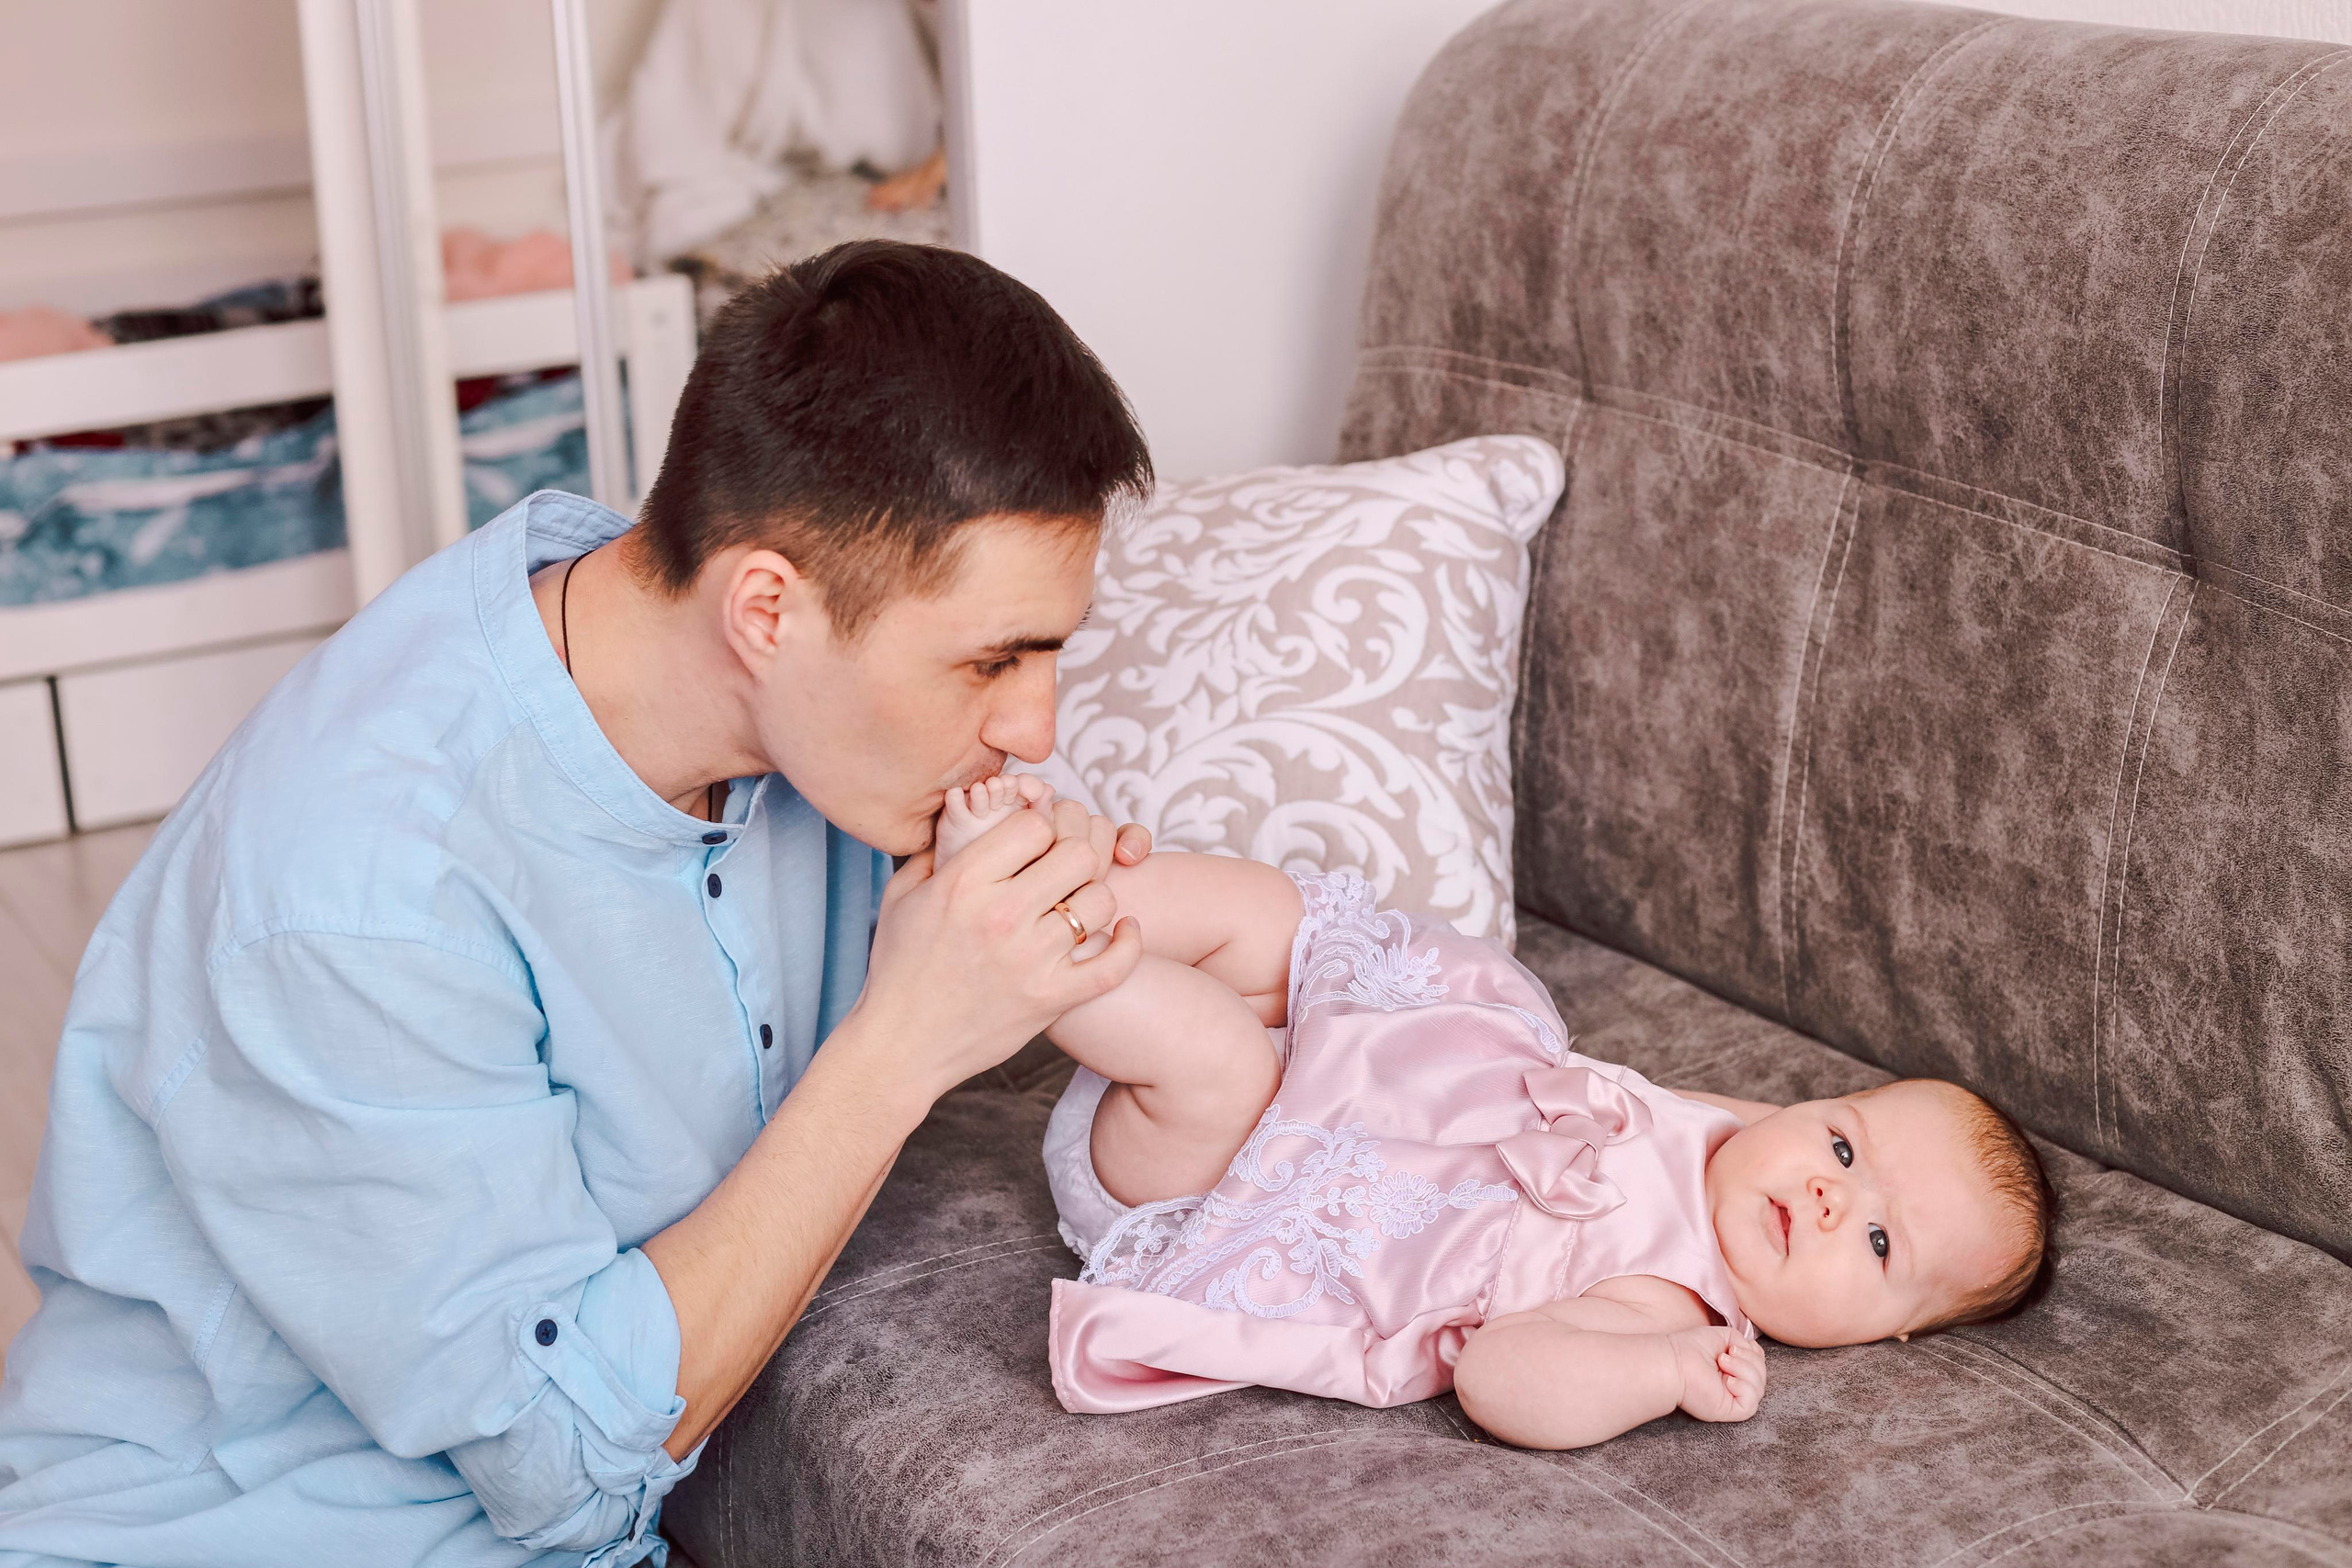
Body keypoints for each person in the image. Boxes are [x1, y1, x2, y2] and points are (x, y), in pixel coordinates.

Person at [0, 241, 1155, 1568]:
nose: (1037, 722)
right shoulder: (364, 892)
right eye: (989, 661)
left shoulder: (804, 730)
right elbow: (558, 1470)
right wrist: (901, 1045)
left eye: (1050, 650)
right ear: (765, 608)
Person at [932, 774, 2061, 1450]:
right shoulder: (1745, 1146)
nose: (1827, 1192)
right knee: (1272, 915)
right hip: (1366, 1062)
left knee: (1216, 1060)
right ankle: (1062, 887)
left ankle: (1010, 945)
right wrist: (1805, 1142)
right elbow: (1769, 1135)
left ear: (1887, 1334)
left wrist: (1665, 1378)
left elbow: (1504, 1379)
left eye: (1875, 1239)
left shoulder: (1673, 1307)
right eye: (1846, 1141)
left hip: (1241, 1183)